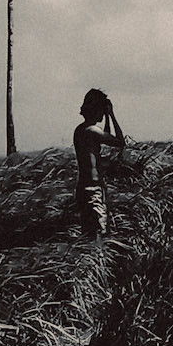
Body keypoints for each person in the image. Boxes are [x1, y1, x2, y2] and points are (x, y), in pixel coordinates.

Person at [72, 88, 124, 238]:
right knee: (99, 234)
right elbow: (120, 142)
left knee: (88, 234)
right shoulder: (92, 131)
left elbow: (104, 135)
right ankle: (99, 260)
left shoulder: (81, 130)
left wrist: (106, 117)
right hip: (93, 190)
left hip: (84, 188)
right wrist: (112, 115)